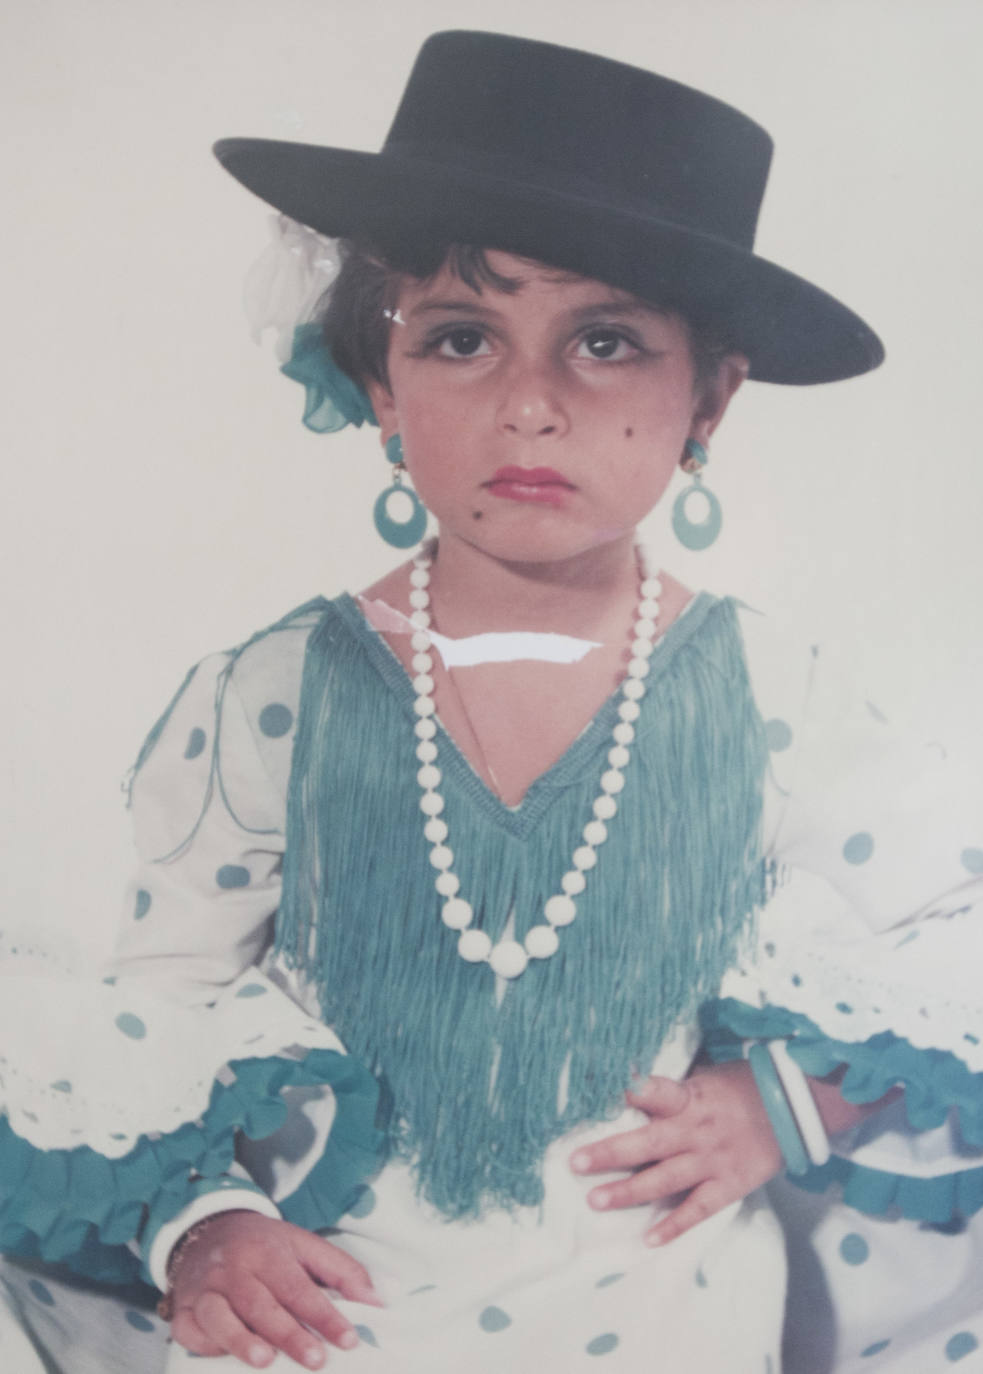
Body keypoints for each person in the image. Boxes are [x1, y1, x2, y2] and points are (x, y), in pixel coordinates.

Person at [2, 29, 982, 1374]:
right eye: (464, 337)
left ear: (709, 398)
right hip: (337, 1320)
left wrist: (786, 1098)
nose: (530, 402)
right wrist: (204, 1218)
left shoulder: (769, 697)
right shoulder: (274, 698)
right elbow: (151, 1010)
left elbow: (954, 928)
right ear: (376, 383)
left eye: (605, 340)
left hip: (662, 1311)